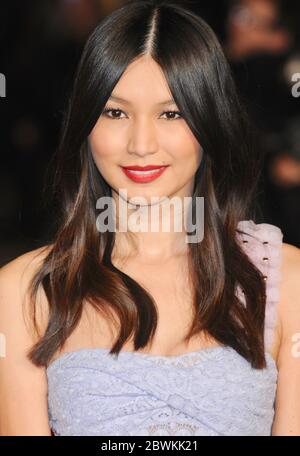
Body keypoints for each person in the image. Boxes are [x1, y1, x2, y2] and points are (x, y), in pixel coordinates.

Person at [0, 0, 300, 436]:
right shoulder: (23, 293)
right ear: (86, 122)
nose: (141, 143)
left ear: (209, 121)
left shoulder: (284, 281)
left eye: (171, 113)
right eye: (115, 112)